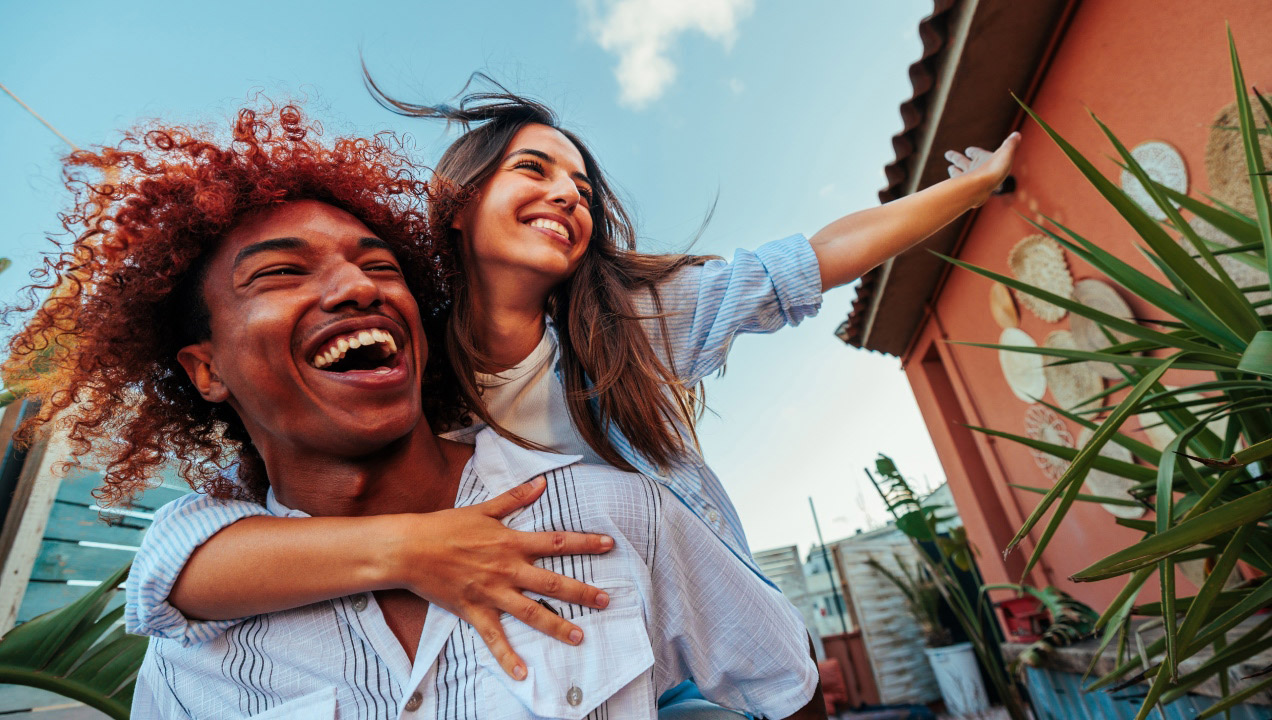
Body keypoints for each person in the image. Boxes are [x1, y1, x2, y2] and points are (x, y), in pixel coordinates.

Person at [122, 80, 1020, 689]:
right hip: (529, 638)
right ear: (462, 201)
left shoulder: (633, 320)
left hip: (663, 631)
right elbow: (197, 558)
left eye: (584, 185)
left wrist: (967, 192)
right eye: (535, 170)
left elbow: (812, 259)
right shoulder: (401, 351)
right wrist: (414, 549)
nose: (569, 194)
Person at [5, 102, 824, 719]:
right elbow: (169, 563)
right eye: (281, 273)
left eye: (376, 264)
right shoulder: (197, 630)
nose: (357, 286)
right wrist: (413, 548)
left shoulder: (613, 509)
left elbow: (785, 682)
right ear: (206, 368)